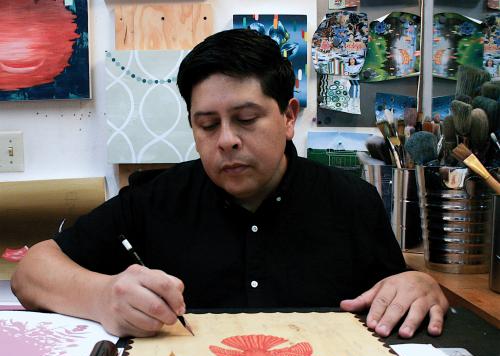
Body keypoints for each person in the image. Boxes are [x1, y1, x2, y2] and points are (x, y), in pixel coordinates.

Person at [12, 29, 448, 339]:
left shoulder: (352, 201)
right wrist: (102, 296)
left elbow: (398, 292)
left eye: (246, 119)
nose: (226, 140)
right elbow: (30, 273)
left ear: (289, 116)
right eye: (206, 125)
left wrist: (419, 286)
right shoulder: (153, 199)